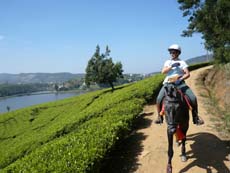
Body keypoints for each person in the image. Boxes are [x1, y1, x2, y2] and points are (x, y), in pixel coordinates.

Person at [154, 44, 204, 125]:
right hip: (168, 84)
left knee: (193, 98)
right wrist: (171, 66)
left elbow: (187, 74)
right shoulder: (168, 62)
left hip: (180, 84)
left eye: (173, 52)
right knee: (159, 99)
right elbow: (163, 72)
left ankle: (196, 117)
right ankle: (159, 117)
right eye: (171, 52)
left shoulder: (182, 62)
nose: (172, 53)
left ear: (178, 53)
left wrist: (180, 79)